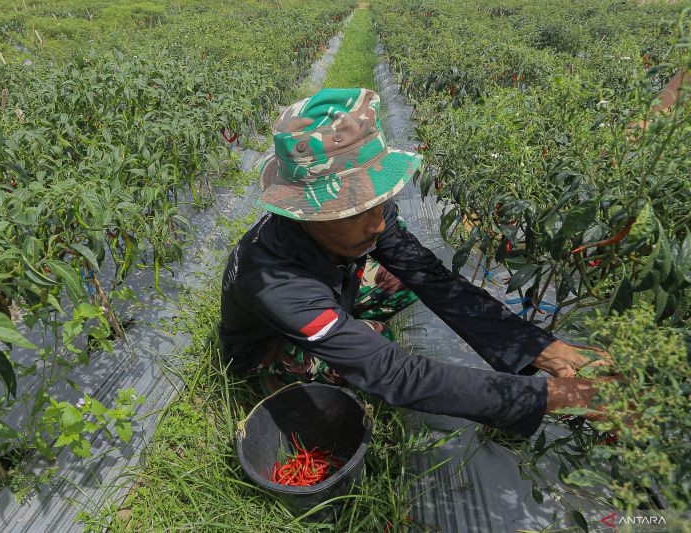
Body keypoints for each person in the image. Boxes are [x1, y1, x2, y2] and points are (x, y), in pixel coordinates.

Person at [219, 88, 607, 436]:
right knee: (374, 343)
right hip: (271, 344)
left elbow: (433, 279)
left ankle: (343, 325)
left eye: (375, 201)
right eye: (352, 209)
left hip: (325, 293)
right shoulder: (277, 282)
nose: (377, 223)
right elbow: (393, 374)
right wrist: (552, 396)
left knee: (408, 280)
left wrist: (544, 348)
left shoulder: (363, 220)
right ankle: (284, 377)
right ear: (307, 213)